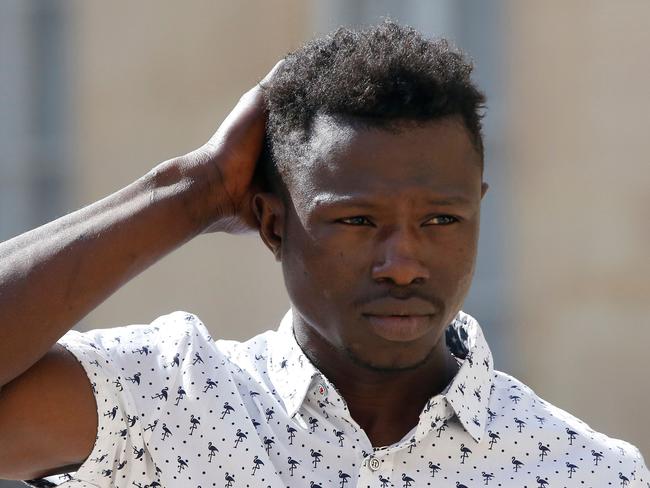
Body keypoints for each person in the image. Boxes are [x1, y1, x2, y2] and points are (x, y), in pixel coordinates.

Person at [0, 21, 647, 488]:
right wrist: (190, 191)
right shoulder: (167, 400)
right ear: (271, 223)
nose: (403, 263)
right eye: (358, 220)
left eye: (442, 219)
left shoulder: (587, 471)